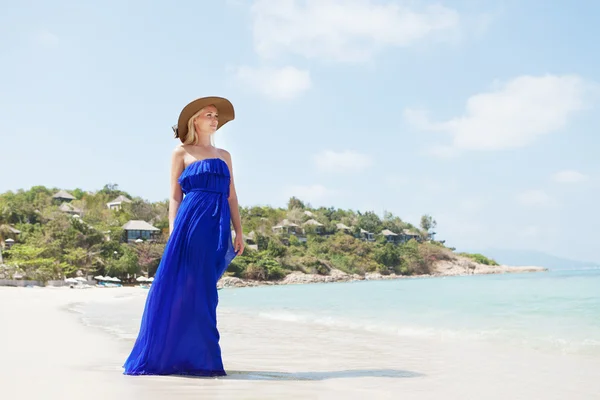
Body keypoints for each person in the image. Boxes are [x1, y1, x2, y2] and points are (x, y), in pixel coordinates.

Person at [122, 96, 244, 377]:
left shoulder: (225, 155)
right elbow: (175, 197)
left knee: (205, 292)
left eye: (216, 116)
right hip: (190, 225)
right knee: (185, 289)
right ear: (195, 120)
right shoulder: (181, 152)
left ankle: (200, 358)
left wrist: (239, 231)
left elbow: (232, 196)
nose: (214, 119)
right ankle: (182, 358)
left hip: (216, 226)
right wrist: (174, 229)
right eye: (208, 114)